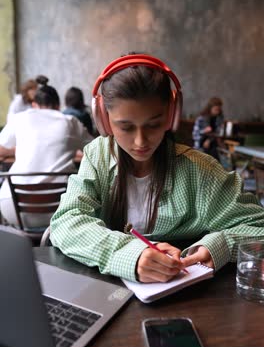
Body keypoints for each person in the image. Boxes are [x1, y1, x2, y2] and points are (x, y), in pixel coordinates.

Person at [50, 54, 264, 283]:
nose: (141, 141)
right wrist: (130, 255)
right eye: (126, 127)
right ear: (104, 118)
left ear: (172, 114)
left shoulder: (201, 171)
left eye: (153, 125)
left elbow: (258, 228)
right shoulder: (97, 156)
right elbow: (65, 222)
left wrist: (219, 246)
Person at [0, 78, 92, 228]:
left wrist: (16, 149)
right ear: (58, 105)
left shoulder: (20, 118)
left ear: (35, 105)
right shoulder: (70, 121)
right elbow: (94, 150)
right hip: (60, 209)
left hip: (14, 207)